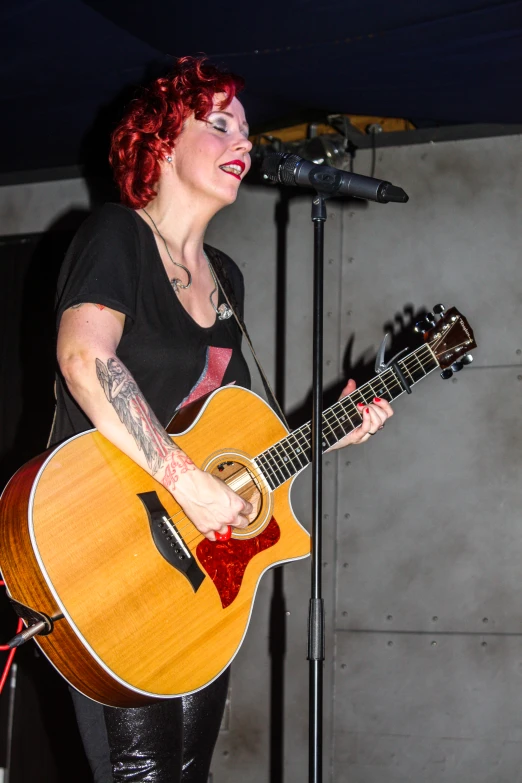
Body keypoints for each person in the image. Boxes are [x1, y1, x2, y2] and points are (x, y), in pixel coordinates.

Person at [51, 56, 393, 783]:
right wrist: (186, 481)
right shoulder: (117, 237)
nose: (243, 137)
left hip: (196, 577)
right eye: (218, 123)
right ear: (161, 143)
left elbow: (230, 430)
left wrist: (330, 423)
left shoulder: (224, 277)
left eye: (244, 125)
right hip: (107, 551)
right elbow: (86, 360)